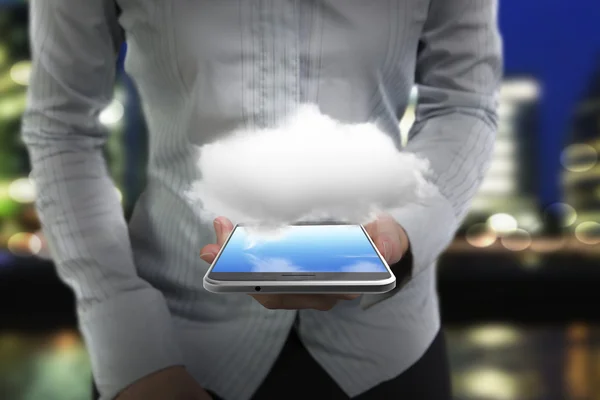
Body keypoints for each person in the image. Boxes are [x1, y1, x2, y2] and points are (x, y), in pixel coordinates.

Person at [22, 1, 502, 399]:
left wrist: (406, 228)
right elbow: (61, 129)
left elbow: (464, 103)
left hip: (387, 349)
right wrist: (129, 346)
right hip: (174, 350)